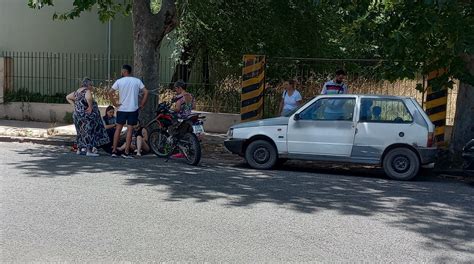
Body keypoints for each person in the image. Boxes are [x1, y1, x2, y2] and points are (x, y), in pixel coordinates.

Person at [108, 64, 149, 159]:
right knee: (130, 129)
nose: (121, 72)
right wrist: (142, 104)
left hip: (122, 109)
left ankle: (114, 151)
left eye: (122, 71)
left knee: (118, 129)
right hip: (133, 109)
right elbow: (146, 92)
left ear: (124, 71)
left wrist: (114, 103)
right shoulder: (137, 81)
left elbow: (110, 92)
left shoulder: (119, 81)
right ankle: (126, 152)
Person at [66, 77, 110, 157]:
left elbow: (68, 97)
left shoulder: (77, 91)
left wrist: (75, 106)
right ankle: (89, 151)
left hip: (77, 115)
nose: (92, 86)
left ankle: (79, 149)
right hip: (86, 116)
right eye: (91, 85)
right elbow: (89, 98)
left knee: (80, 132)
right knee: (89, 132)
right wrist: (90, 107)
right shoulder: (87, 91)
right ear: (88, 85)